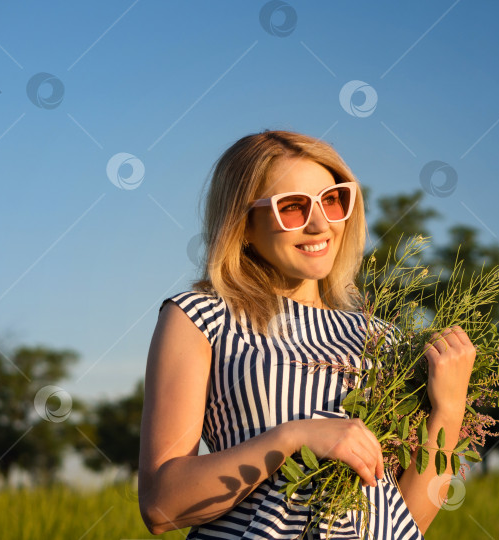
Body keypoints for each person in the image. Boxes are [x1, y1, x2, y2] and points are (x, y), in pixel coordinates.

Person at [138, 130, 475, 539]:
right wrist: (293, 437)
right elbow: (161, 506)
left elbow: (404, 521)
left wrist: (449, 409)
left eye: (332, 200)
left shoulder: (381, 338)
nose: (320, 225)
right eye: (292, 207)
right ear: (243, 224)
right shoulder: (201, 317)